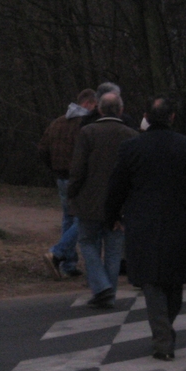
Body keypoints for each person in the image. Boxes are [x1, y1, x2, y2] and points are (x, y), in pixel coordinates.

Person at [105, 96, 186, 360]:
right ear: (172, 117)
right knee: (174, 282)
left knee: (151, 281)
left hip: (143, 221)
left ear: (146, 117)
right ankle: (165, 333)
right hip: (182, 222)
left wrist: (112, 215)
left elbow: (117, 184)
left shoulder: (131, 148)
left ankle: (163, 336)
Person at [68, 92, 138, 308]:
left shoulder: (88, 132)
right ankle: (109, 292)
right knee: (114, 249)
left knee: (88, 242)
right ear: (121, 110)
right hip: (120, 203)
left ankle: (101, 287)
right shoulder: (132, 136)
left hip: (90, 199)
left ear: (99, 109)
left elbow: (78, 169)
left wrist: (73, 192)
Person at [38, 88, 96, 279]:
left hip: (61, 177)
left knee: (68, 218)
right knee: (82, 218)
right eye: (95, 105)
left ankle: (68, 264)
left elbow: (43, 149)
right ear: (88, 103)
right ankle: (58, 252)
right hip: (79, 179)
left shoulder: (57, 122)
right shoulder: (85, 124)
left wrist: (55, 168)